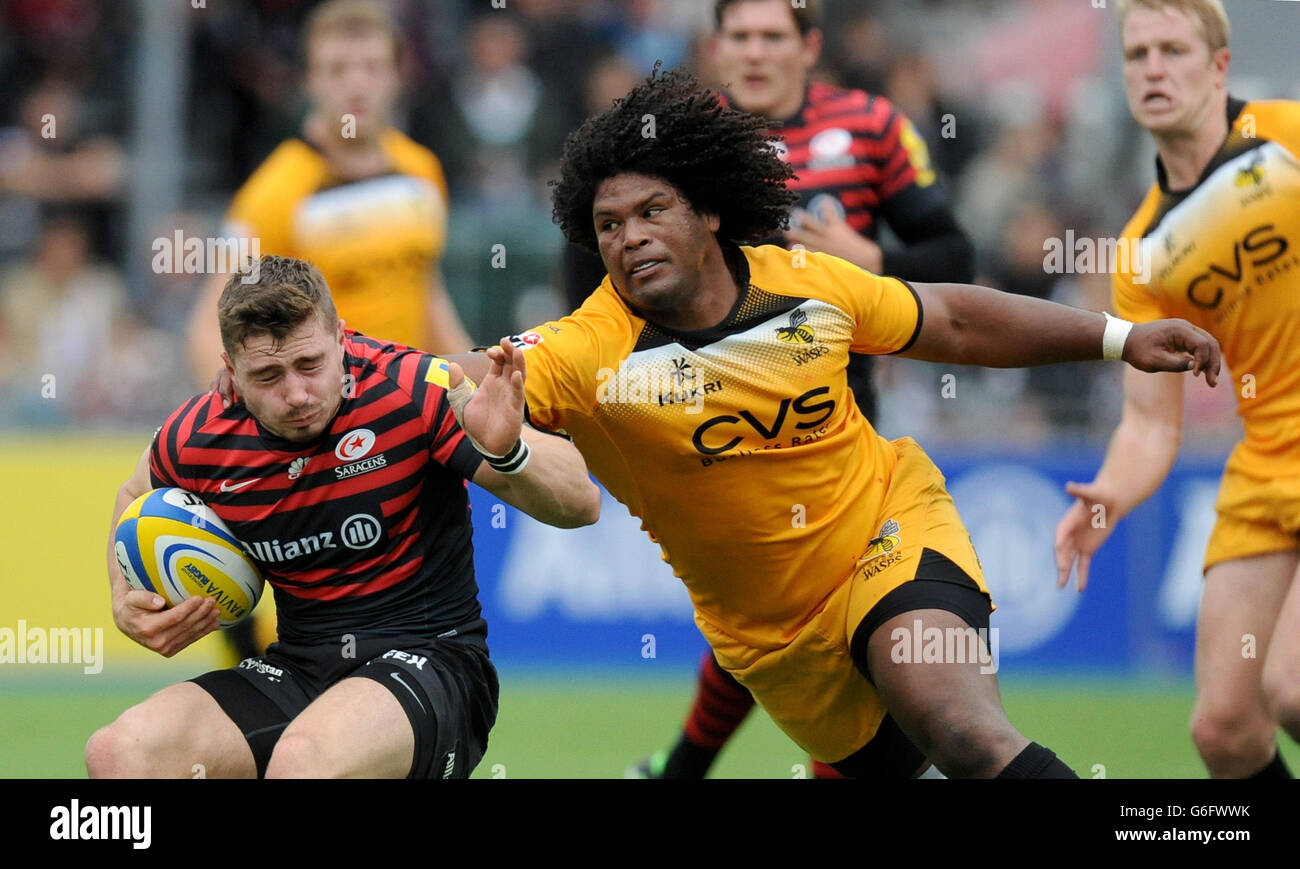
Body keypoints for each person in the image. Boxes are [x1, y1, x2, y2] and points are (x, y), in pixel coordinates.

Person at [447, 67, 1220, 778]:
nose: (631, 236)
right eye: (609, 224)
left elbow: (950, 317)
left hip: (887, 533)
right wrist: (364, 377)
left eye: (653, 210)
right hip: (775, 643)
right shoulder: (589, 349)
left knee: (966, 733)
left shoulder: (807, 286)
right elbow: (460, 379)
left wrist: (1121, 338)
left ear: (710, 211)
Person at [621, 0, 976, 779]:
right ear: (716, 47)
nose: (754, 52)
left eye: (771, 36)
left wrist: (868, 254)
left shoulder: (873, 125)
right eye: (739, 36)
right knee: (766, 610)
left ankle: (689, 769)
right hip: (709, 409)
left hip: (838, 407)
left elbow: (955, 256)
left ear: (809, 46)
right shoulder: (676, 138)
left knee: (812, 610)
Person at [86, 255, 599, 779]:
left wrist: (509, 452)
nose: (296, 394)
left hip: (435, 665)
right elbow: (134, 492)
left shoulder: (413, 388)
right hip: (298, 667)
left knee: (303, 763)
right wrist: (124, 599)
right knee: (120, 754)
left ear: (339, 337)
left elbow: (583, 502)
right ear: (230, 369)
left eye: (310, 364)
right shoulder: (201, 435)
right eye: (267, 375)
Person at [1054, 0, 1300, 778]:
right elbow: (1151, 426)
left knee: (1291, 685)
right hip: (1267, 463)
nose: (1153, 68)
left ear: (1219, 65)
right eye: (1136, 54)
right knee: (1224, 729)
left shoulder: (1287, 135)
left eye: (1172, 49)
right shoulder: (1140, 254)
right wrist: (1108, 494)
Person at [187, 0, 473, 664]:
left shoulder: (422, 171)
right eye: (338, 68)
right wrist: (245, 424)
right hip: (320, 440)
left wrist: (469, 377)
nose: (356, 83)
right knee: (311, 651)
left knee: (423, 631)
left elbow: (424, 290)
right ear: (310, 81)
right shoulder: (274, 192)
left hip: (410, 426)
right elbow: (209, 327)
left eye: (372, 66)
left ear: (398, 76)